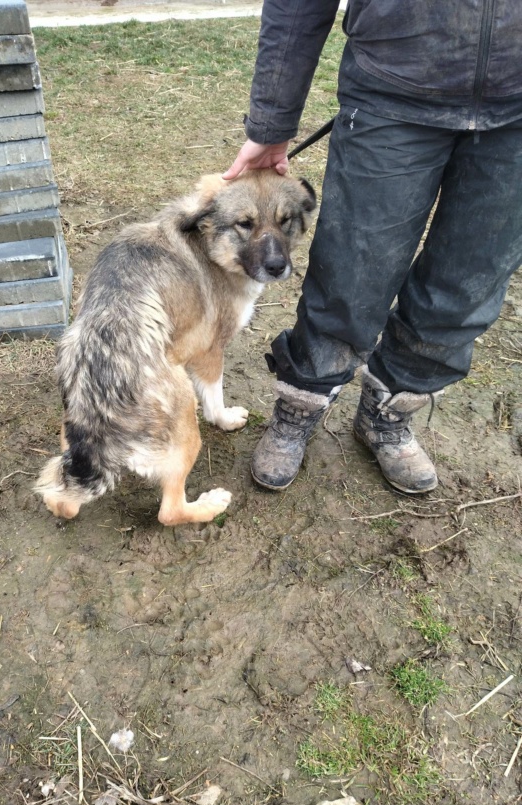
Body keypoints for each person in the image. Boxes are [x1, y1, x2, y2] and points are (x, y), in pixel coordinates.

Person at [223, 0, 522, 495]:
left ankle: (387, 414)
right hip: (393, 93)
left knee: (467, 285)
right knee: (349, 278)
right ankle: (301, 405)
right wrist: (272, 122)